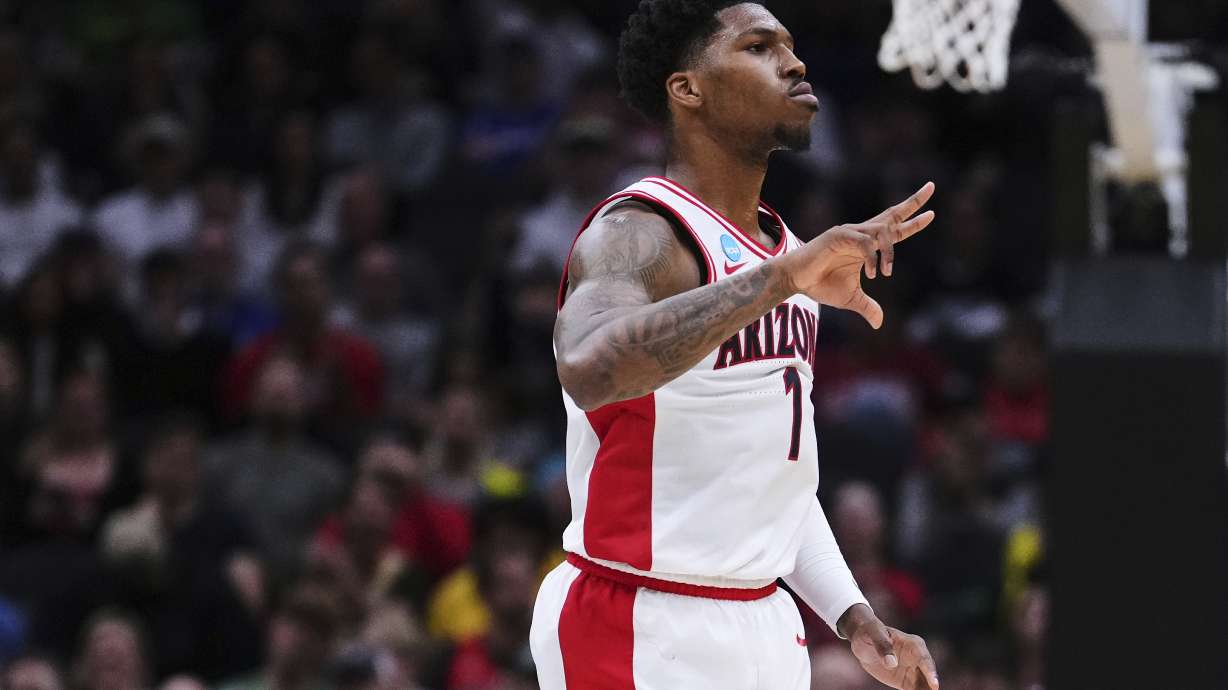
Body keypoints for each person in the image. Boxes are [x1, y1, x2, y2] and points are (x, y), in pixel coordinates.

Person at [530, 2, 940, 689]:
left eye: (791, 46)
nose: (795, 62)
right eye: (758, 46)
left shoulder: (785, 250)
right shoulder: (641, 229)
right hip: (637, 618)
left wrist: (851, 615)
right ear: (687, 87)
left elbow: (771, 474)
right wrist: (781, 280)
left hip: (764, 625)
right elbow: (587, 368)